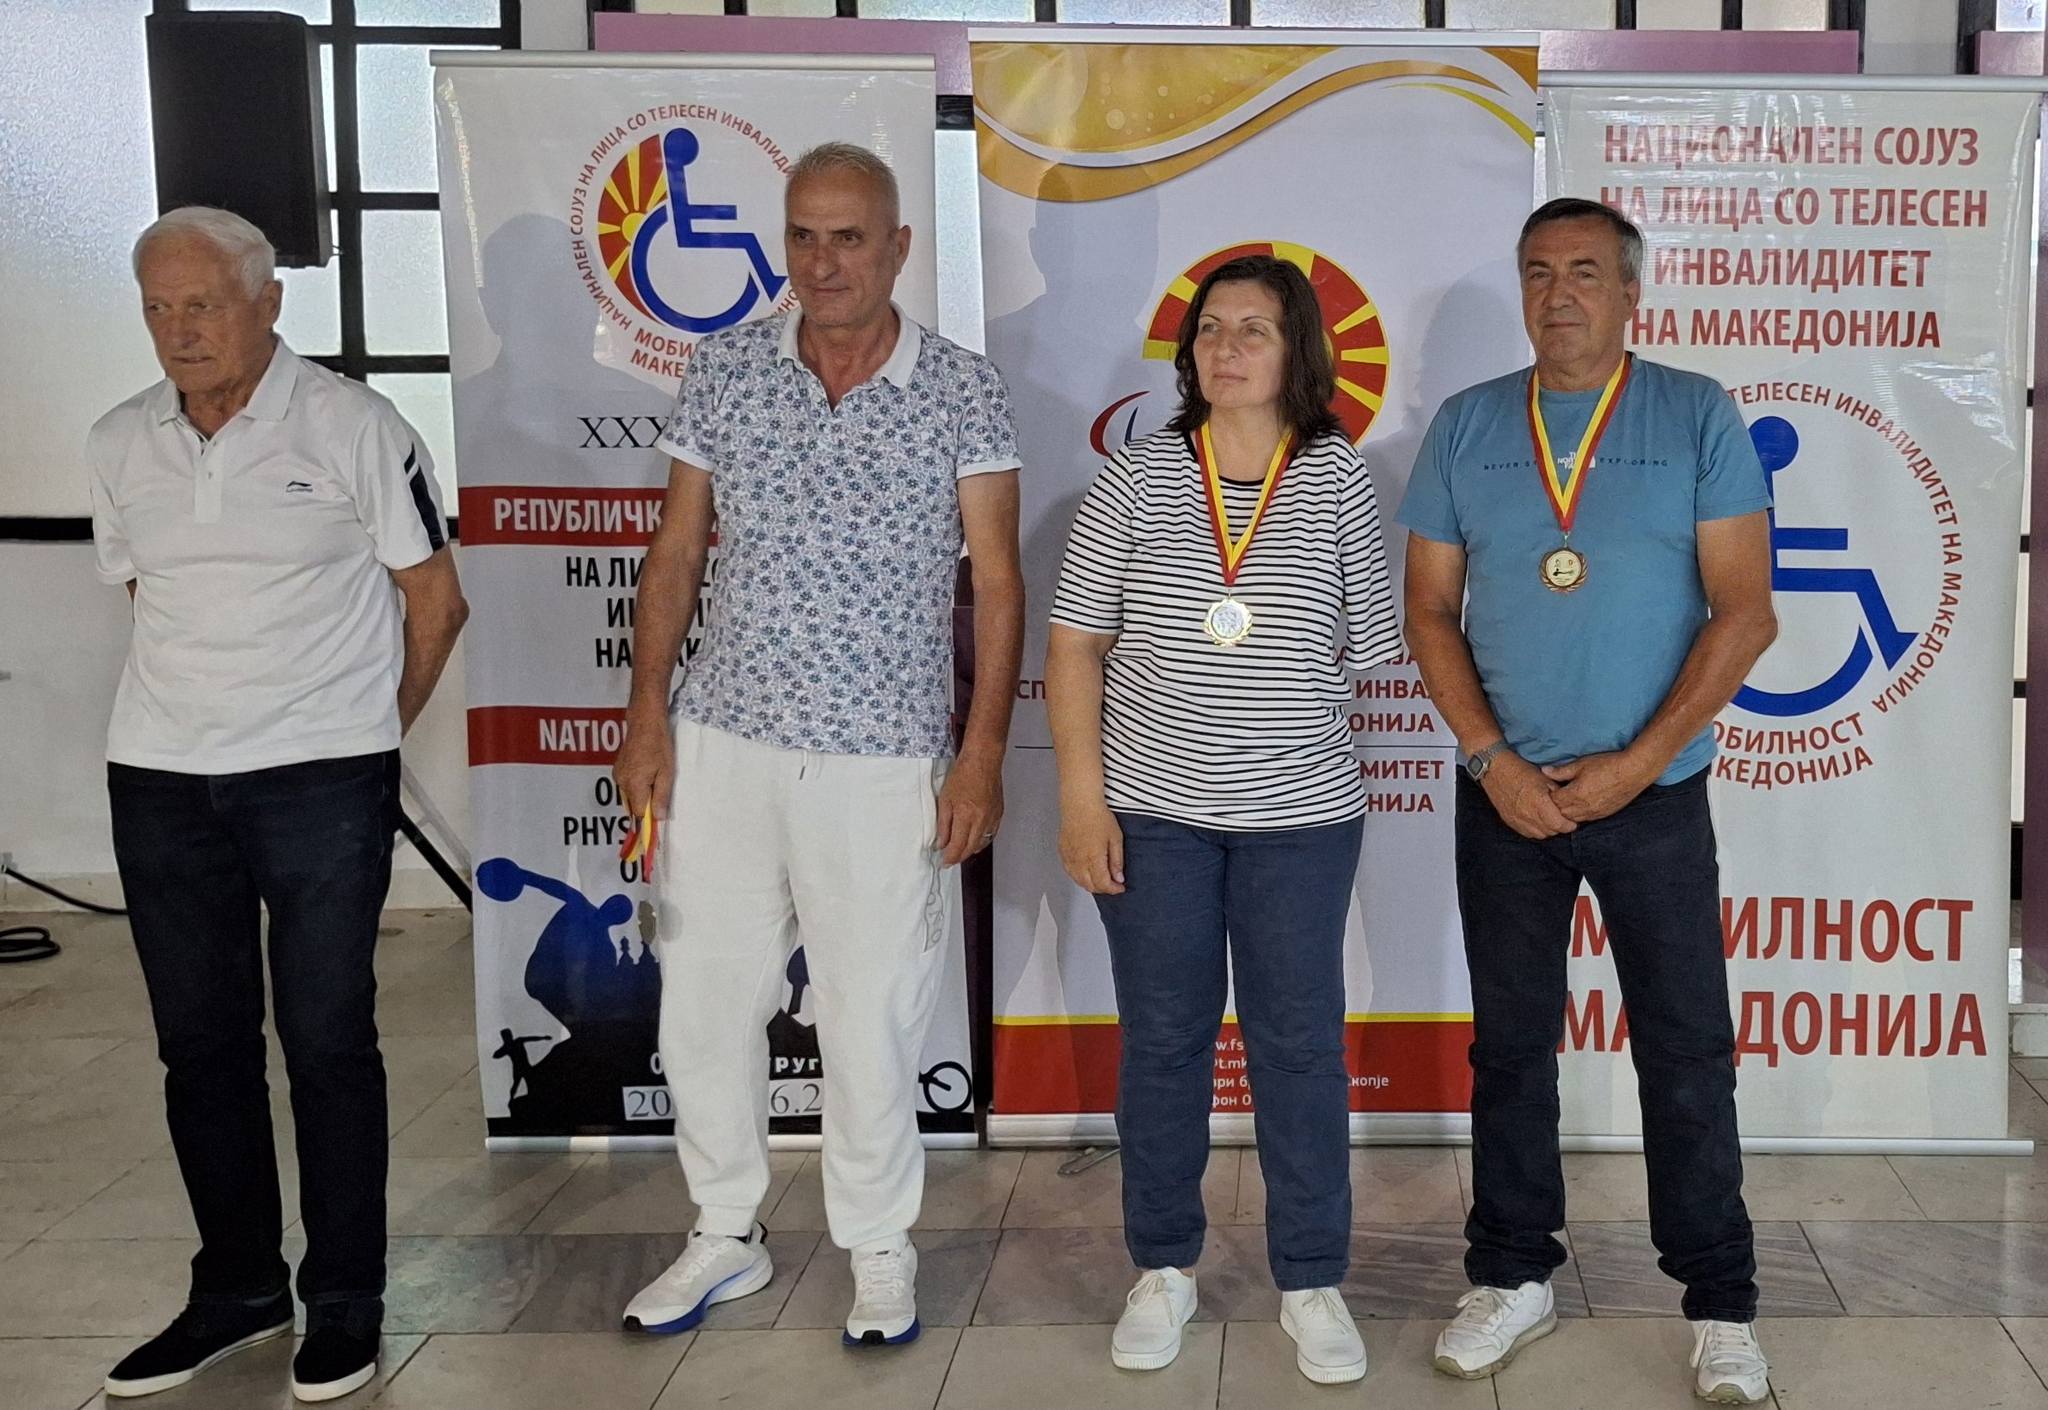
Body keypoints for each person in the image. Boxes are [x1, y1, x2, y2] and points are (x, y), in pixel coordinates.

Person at [610, 142, 1025, 1348]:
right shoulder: (726, 368)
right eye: (803, 235)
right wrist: (646, 715)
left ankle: (878, 1244)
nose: (824, 261)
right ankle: (724, 1231)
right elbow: (676, 552)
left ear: (898, 248)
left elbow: (998, 585)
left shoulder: (961, 389)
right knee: (703, 1002)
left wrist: (980, 756)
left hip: (881, 751)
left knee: (868, 1015)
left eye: (850, 238)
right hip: (723, 738)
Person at [1399, 197, 1778, 1404]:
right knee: (1510, 1048)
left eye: (1581, 272)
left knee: (1684, 1047)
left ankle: (1717, 1301)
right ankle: (1511, 1274)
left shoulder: (1693, 412)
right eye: (1535, 272)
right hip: (1503, 797)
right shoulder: (1467, 424)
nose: (1555, 294)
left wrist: (1635, 761)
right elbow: (1425, 610)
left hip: (1650, 794)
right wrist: (1488, 759)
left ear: (1628, 293)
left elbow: (1744, 613)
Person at [88, 207, 469, 1402]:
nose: (179, 331)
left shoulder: (354, 425)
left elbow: (435, 600)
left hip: (320, 776)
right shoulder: (119, 439)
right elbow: (146, 590)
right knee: (199, 1047)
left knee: (326, 1040)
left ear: (268, 303)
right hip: (160, 779)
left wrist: (362, 735)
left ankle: (344, 1301)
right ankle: (237, 1291)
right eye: (158, 308)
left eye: (202, 305)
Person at [1045, 254, 1402, 1384]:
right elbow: (1073, 646)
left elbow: (1368, 644)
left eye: (1254, 328)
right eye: (1210, 328)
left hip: (1300, 817)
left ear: (1297, 351)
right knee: (1163, 1043)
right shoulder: (1137, 476)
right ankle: (1162, 1268)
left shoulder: (1338, 478)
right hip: (1154, 815)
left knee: (1298, 1047)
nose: (1227, 346)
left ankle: (1311, 1279)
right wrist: (1081, 799)